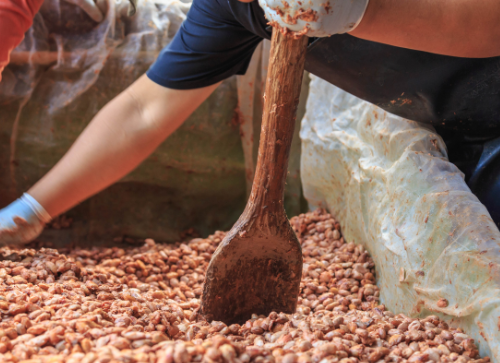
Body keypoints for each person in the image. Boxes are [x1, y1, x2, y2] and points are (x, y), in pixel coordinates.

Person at [1, 0, 500, 245]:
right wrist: (32, 210)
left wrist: (361, 10)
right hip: (465, 132)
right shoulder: (232, 7)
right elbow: (142, 111)